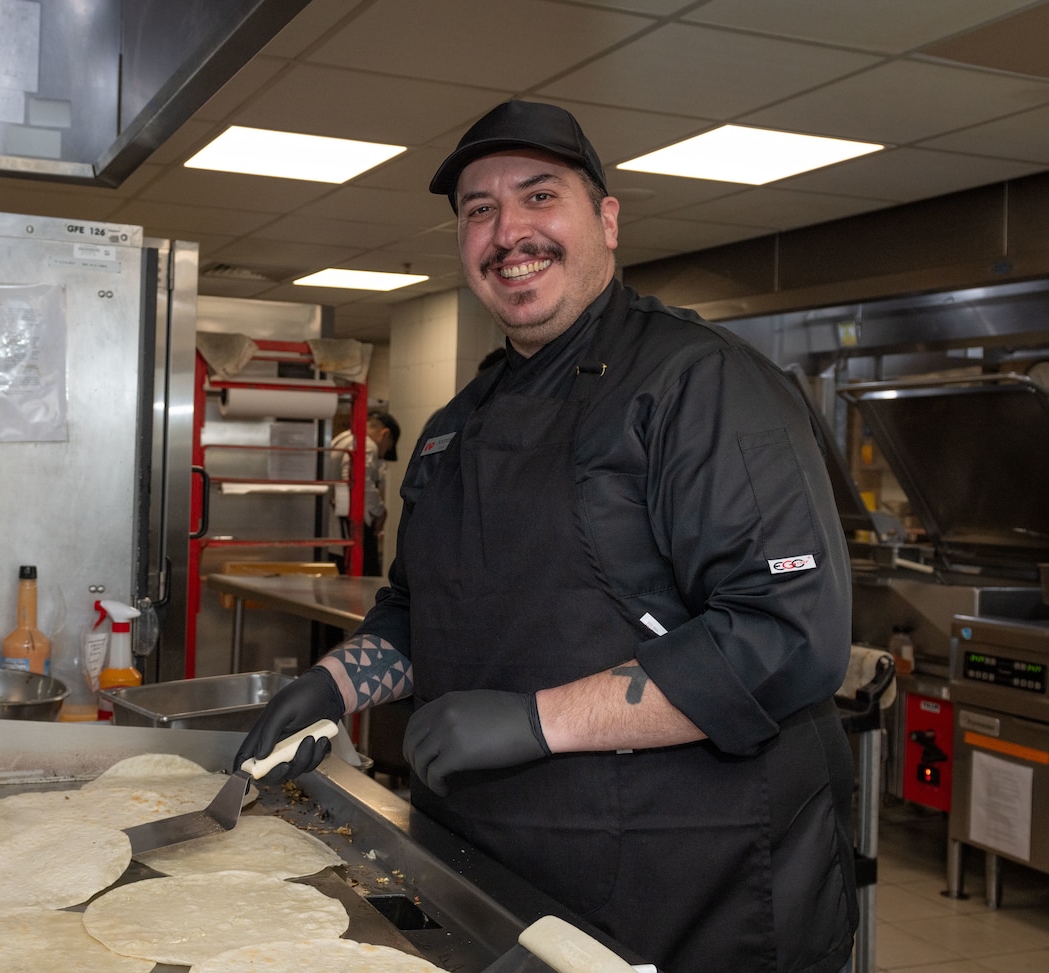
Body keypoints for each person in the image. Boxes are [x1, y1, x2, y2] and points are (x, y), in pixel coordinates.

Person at [235, 101, 858, 973]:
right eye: (478, 210)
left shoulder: (698, 384)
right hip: (501, 871)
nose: (508, 231)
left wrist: (533, 720)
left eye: (539, 196)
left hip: (689, 889)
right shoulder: (459, 423)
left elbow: (787, 634)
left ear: (606, 219)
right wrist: (333, 685)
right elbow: (422, 611)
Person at [330, 409, 400, 576]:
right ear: (385, 434)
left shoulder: (342, 438)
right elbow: (358, 479)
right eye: (387, 449)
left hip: (334, 526)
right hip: (350, 526)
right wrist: (380, 510)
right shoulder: (365, 443)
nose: (382, 455)